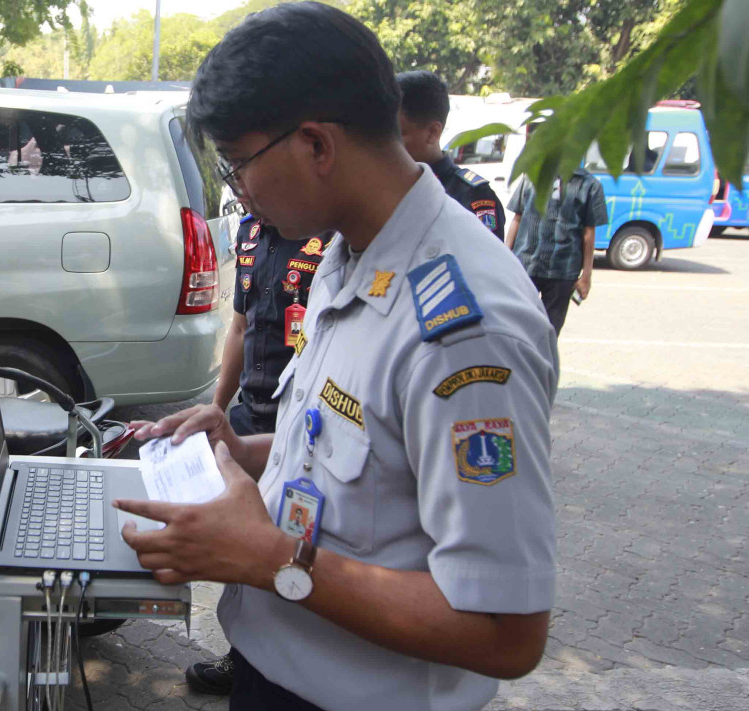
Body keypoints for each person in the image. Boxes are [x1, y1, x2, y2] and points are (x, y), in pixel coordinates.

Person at [115, 4, 558, 709]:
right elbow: (357, 458)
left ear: (315, 145)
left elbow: (504, 633)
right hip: (274, 670)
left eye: (239, 169)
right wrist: (242, 448)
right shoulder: (351, 251)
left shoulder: (465, 330)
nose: (242, 196)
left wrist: (269, 559)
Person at [186, 200, 327, 695]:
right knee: (243, 540)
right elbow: (240, 327)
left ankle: (286, 666)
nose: (242, 189)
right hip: (249, 413)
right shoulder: (249, 232)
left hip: (300, 422)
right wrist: (219, 407)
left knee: (290, 544)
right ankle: (242, 653)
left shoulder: (326, 235)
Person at [397, 70, 507, 241]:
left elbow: (484, 262)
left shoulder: (472, 195)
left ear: (433, 132)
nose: (386, 144)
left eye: (397, 134)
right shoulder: (383, 188)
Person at [505, 157, 607, 336]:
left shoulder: (589, 185)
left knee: (548, 332)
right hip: (526, 265)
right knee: (517, 326)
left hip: (562, 270)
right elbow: (517, 218)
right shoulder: (532, 176)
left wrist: (587, 275)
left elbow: (588, 234)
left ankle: (540, 363)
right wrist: (504, 258)